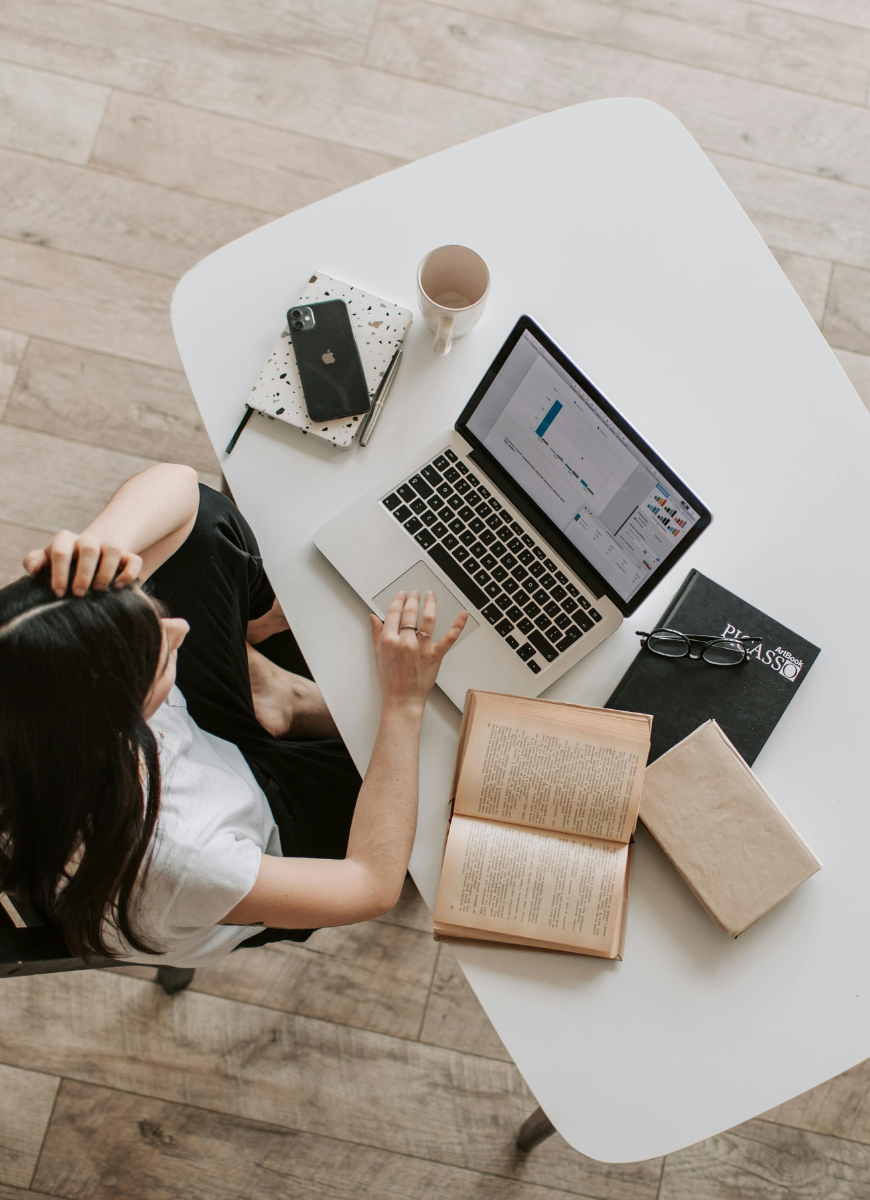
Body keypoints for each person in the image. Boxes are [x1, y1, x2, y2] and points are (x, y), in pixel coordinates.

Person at [0, 464, 467, 966]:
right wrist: (402, 701)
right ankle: (283, 695)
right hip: (271, 838)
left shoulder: (33, 696)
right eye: (156, 648)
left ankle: (276, 696)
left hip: (195, 756)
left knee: (204, 529)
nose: (178, 627)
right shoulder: (186, 860)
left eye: (148, 609)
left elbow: (181, 490)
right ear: (121, 725)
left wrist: (101, 546)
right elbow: (369, 885)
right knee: (441, 768)